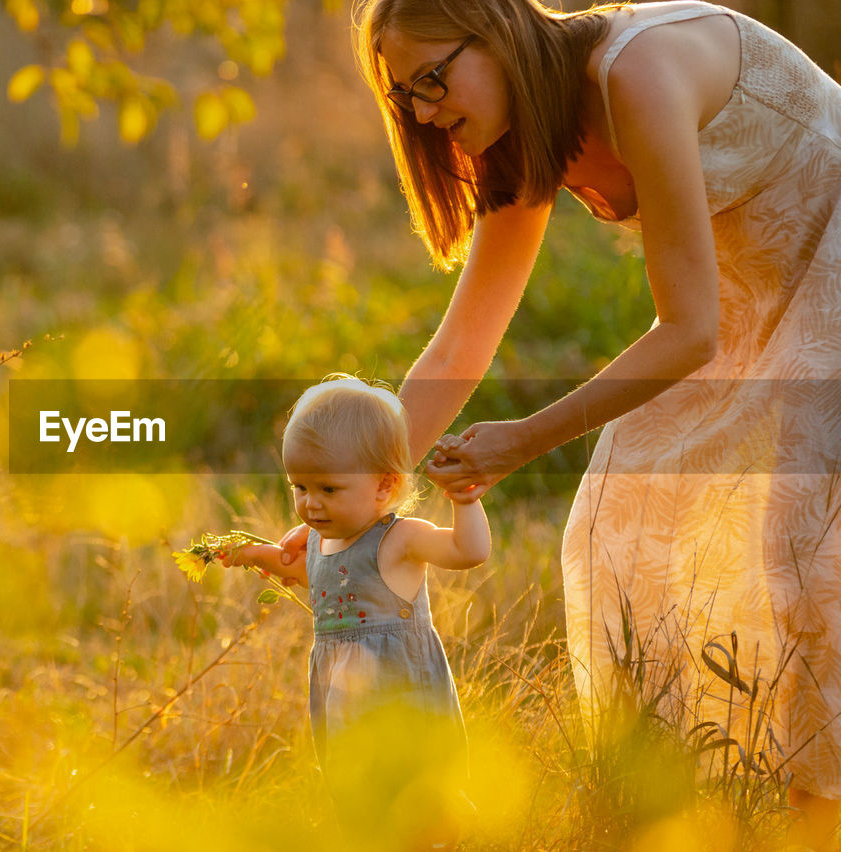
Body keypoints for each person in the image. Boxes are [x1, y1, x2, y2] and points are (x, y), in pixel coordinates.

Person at [276, 0, 841, 845]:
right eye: (406, 98)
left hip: (819, 283)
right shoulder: (524, 137)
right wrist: (357, 496)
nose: (426, 110)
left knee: (801, 546)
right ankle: (687, 805)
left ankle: (815, 815)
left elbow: (687, 332)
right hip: (760, 306)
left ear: (498, 30)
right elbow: (462, 345)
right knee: (629, 516)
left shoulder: (637, 73)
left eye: (433, 77)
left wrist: (527, 438)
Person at [224, 375, 490, 850]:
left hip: (398, 692)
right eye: (299, 486)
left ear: (385, 485)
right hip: (343, 696)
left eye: (328, 488)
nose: (310, 502)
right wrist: (248, 553)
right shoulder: (320, 542)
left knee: (414, 796)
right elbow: (309, 575)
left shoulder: (399, 538)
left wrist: (464, 501)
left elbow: (467, 551)